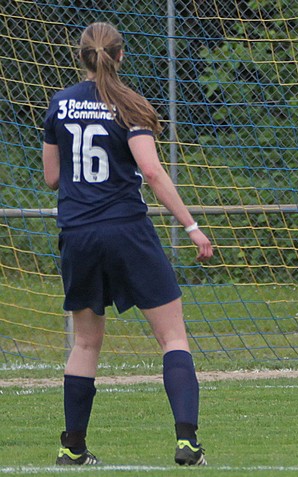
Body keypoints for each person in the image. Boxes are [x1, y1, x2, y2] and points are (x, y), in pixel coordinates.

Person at [41, 22, 213, 466]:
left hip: (77, 233)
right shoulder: (129, 105)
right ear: (119, 57)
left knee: (84, 343)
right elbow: (153, 173)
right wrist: (191, 226)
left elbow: (52, 177)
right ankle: (187, 443)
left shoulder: (59, 105)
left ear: (81, 56)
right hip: (126, 229)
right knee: (172, 335)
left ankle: (72, 448)